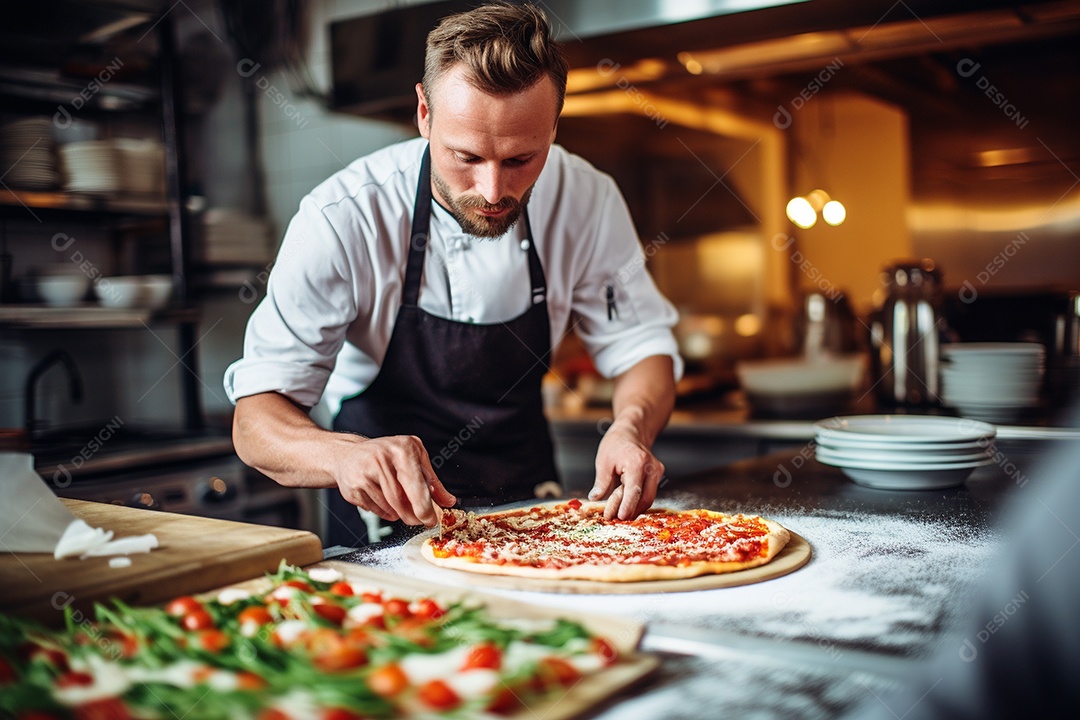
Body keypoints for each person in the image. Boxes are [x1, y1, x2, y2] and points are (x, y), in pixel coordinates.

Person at [223, 3, 683, 546]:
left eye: (520, 160)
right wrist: (344, 455)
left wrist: (630, 428)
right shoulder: (343, 216)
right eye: (465, 156)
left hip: (531, 517)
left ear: (554, 127)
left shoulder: (587, 197)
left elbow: (641, 346)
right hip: (385, 526)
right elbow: (256, 421)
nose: (492, 192)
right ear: (424, 113)